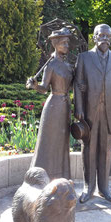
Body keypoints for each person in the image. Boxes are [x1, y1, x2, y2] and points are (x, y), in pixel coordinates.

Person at [74, 23, 111, 203]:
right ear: (95, 37)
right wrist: (79, 108)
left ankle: (104, 188)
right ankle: (88, 187)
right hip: (89, 112)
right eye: (101, 35)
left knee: (106, 150)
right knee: (89, 148)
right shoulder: (84, 58)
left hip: (109, 112)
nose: (105, 39)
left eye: (108, 36)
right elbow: (78, 84)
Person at [26, 28, 73, 180]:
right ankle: (42, 177)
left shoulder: (68, 66)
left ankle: (62, 176)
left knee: (62, 141)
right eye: (64, 43)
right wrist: (35, 85)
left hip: (66, 106)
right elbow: (44, 89)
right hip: (53, 107)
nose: (67, 46)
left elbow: (72, 85)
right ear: (56, 44)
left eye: (68, 43)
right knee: (50, 141)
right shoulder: (50, 65)